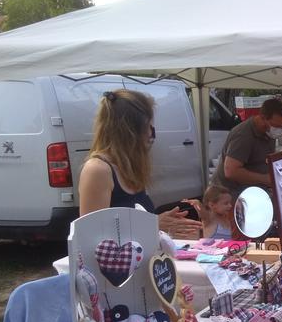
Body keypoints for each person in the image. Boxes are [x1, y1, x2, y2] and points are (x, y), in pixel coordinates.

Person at [79, 89, 202, 237]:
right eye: (150, 126)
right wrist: (153, 225)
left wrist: (158, 225)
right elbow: (91, 236)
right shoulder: (98, 170)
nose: (151, 134)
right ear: (133, 130)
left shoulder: (128, 167)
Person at [211, 98, 282, 199]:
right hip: (229, 195)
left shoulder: (268, 132)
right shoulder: (243, 135)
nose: (279, 130)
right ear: (263, 118)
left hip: (252, 191)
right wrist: (265, 179)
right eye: (277, 126)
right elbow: (231, 171)